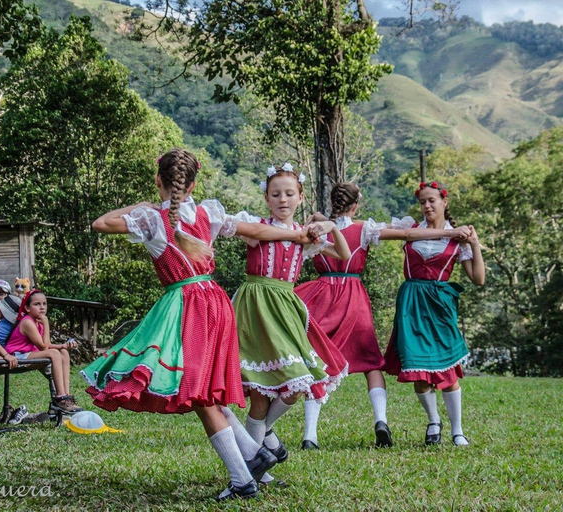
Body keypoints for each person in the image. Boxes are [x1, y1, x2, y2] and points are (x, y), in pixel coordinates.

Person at [81, 148, 323, 501]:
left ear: (159, 181)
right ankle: (255, 458)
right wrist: (298, 236)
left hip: (186, 304)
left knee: (200, 393)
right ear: (194, 184)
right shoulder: (208, 212)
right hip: (216, 301)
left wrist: (141, 205)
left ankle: (244, 478)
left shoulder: (151, 219)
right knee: (204, 390)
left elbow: (101, 223)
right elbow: (255, 228)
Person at [295, 182, 472, 449]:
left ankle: (311, 434)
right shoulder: (364, 230)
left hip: (323, 293)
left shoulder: (314, 230)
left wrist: (320, 219)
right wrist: (451, 232)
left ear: (332, 204)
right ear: (356, 206)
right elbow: (407, 236)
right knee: (371, 364)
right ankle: (381, 420)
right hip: (353, 295)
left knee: (317, 361)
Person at [225, 163, 351, 481]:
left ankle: (263, 435)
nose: (283, 199)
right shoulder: (258, 226)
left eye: (289, 193)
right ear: (267, 198)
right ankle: (254, 470)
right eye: (276, 194)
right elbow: (243, 231)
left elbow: (344, 255)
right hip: (255, 307)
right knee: (260, 393)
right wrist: (298, 233)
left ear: (300, 197)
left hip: (286, 309)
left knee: (296, 384)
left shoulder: (306, 235)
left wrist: (330, 226)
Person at [384, 181, 485, 447]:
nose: (427, 206)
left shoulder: (458, 237)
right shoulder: (410, 229)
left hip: (439, 304)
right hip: (411, 303)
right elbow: (379, 232)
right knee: (417, 368)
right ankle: (433, 421)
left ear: (444, 202)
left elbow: (478, 278)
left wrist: (474, 243)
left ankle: (458, 430)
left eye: (432, 200)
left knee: (448, 369)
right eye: (422, 202)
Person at [4, 289, 82, 414]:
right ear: (27, 308)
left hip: (28, 353)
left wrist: (63, 345)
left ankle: (66, 395)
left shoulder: (37, 322)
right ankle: (60, 398)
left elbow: (45, 344)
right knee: (54, 353)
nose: (42, 307)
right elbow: (44, 348)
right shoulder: (28, 322)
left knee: (63, 352)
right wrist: (46, 324)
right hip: (16, 356)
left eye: (44, 304)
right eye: (37, 304)